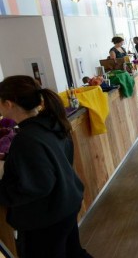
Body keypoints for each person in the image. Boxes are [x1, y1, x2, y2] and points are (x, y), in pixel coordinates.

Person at [0, 75, 93, 258]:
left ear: (9, 104)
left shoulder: (27, 138)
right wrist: (10, 157)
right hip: (66, 203)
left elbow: (38, 185)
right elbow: (55, 160)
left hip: (47, 217)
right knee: (74, 253)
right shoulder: (51, 124)